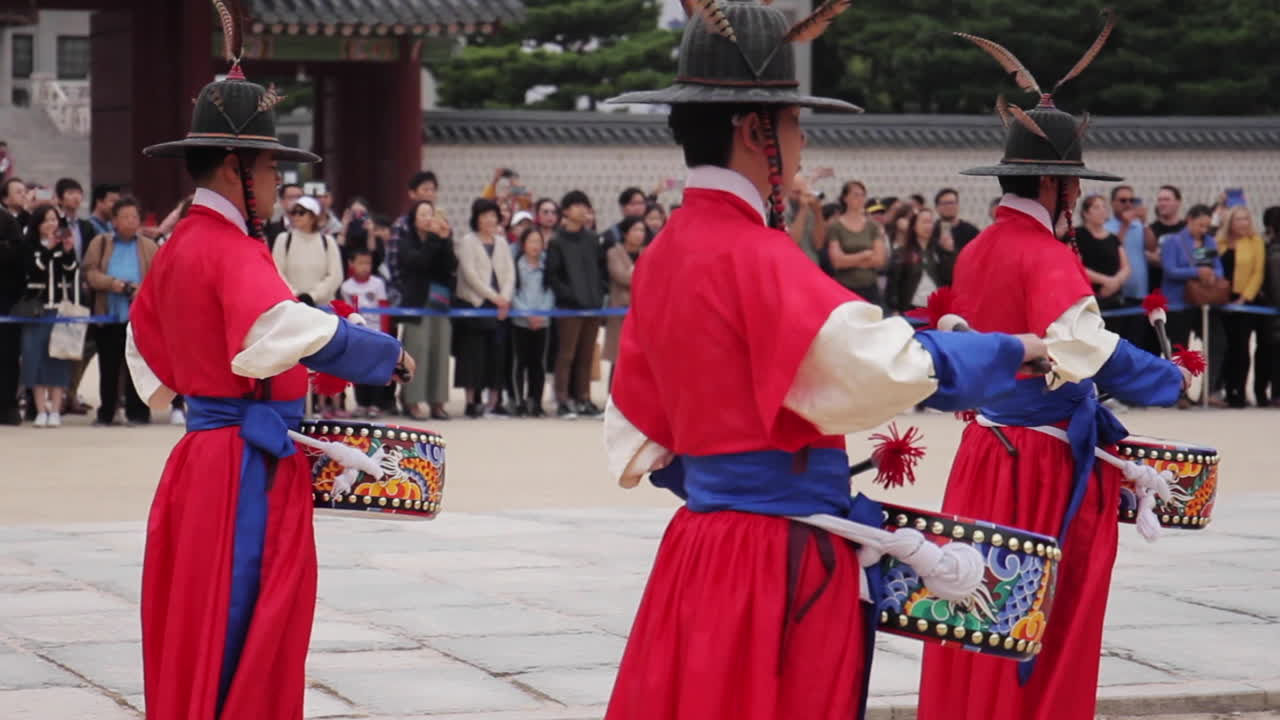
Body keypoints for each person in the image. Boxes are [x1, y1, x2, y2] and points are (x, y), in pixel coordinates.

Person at [600, 4, 1051, 719]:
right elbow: (885, 366)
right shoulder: (756, 256)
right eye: (795, 125)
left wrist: (731, 479)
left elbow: (638, 434)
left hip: (699, 547)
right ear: (756, 132)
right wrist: (1013, 347)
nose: (803, 145)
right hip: (774, 562)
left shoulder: (663, 255)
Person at [128, 32, 412, 720]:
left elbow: (147, 354)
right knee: (245, 618)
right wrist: (379, 353)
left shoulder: (177, 249)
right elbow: (283, 331)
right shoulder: (229, 249)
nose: (275, 183)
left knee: (200, 619)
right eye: (268, 169)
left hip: (200, 460)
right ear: (234, 169)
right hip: (243, 470)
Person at [917, 18, 1187, 720]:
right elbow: (1089, 350)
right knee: (1048, 625)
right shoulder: (1046, 256)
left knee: (975, 616)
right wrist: (1173, 377)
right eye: (1071, 184)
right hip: (1040, 468)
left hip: (982, 455)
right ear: (1054, 183)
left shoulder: (975, 251)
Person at [84, 196, 158, 426]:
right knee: (109, 365)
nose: (131, 221)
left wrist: (141, 290)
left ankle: (138, 412)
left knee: (138, 365)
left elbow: (158, 279)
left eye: (135, 217)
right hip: (109, 314)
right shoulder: (101, 242)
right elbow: (89, 273)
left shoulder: (148, 246)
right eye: (125, 217)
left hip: (138, 317)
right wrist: (112, 283)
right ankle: (107, 412)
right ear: (114, 220)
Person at [546, 190, 606, 419]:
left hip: (592, 306)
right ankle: (562, 400)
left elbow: (601, 270)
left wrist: (599, 295)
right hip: (568, 307)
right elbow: (553, 276)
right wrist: (569, 296)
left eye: (585, 205)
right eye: (577, 205)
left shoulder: (592, 239)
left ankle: (584, 398)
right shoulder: (557, 241)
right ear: (567, 211)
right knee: (566, 355)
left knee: (586, 355)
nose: (582, 210)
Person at [453, 198, 515, 418]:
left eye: (492, 215)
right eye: (484, 215)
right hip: (475, 305)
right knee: (473, 355)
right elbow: (470, 275)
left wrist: (504, 298)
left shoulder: (502, 243)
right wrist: (494, 297)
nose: (489, 220)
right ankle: (471, 402)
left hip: (500, 308)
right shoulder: (468, 241)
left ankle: (494, 402)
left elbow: (509, 273)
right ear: (476, 219)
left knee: (497, 354)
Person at [1162, 205, 1228, 407]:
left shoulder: (1208, 241)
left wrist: (1211, 275)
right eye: (1200, 225)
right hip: (1178, 302)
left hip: (1203, 302)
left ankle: (1209, 389)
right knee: (1180, 347)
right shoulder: (1173, 241)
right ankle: (1178, 393)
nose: (1203, 229)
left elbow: (1217, 268)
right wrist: (1195, 272)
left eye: (1207, 226)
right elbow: (1170, 269)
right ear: (1189, 220)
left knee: (1217, 340)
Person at [396, 200, 456, 421]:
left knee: (439, 352)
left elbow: (450, 266)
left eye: (430, 214)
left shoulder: (439, 240)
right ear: (414, 220)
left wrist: (445, 240)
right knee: (416, 351)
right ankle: (411, 401)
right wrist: (433, 240)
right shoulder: (405, 242)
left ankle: (437, 401)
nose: (427, 218)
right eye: (422, 214)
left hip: (440, 303)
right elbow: (418, 263)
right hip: (417, 304)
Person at [20, 204, 79, 428]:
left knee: (58, 358)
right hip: (36, 309)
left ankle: (55, 409)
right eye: (46, 221)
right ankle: (39, 408)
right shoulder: (30, 246)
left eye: (54, 220)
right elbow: (35, 270)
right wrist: (49, 249)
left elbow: (72, 270)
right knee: (34, 357)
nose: (52, 224)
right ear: (37, 225)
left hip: (60, 309)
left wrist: (67, 250)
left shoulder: (62, 244)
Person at [1216, 206, 1268, 407]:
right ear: (1230, 221)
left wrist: (1244, 297)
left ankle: (1238, 390)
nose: (1243, 223)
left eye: (1246, 219)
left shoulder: (1255, 242)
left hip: (1244, 302)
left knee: (1241, 347)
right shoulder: (1218, 242)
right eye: (1239, 219)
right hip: (1220, 300)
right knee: (1224, 347)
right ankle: (1224, 390)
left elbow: (1258, 273)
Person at [340, 247, 391, 418]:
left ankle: (376, 403)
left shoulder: (378, 284)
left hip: (376, 332)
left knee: (376, 369)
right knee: (358, 369)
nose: (365, 267)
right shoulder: (347, 287)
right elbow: (346, 312)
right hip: (357, 334)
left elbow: (384, 308)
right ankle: (361, 403)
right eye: (361, 263)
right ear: (351, 264)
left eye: (368, 263)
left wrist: (385, 334)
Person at [511, 227, 555, 416]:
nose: (535, 246)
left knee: (538, 364)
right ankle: (519, 402)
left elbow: (551, 293)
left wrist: (541, 315)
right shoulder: (516, 265)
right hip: (521, 322)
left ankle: (536, 401)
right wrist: (527, 314)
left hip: (542, 322)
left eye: (538, 242)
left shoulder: (548, 265)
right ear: (523, 244)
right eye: (531, 241)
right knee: (520, 362)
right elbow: (513, 293)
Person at [271, 195, 343, 307]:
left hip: (322, 308)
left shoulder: (328, 242)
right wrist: (296, 295)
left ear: (313, 216)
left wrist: (312, 296)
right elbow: (277, 272)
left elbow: (335, 276)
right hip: (291, 306)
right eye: (293, 212)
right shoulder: (284, 239)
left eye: (301, 212)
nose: (296, 216)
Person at [1075, 194, 1131, 335]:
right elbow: (1076, 266)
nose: (1102, 211)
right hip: (1089, 299)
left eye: (1104, 207)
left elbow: (1126, 268)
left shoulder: (1113, 238)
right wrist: (1105, 281)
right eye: (1096, 207)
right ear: (1086, 213)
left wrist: (1115, 282)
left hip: (1114, 299)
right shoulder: (1077, 235)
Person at [826, 180, 887, 304]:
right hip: (845, 287)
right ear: (845, 198)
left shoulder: (873, 226)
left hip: (870, 287)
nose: (860, 199)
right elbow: (837, 261)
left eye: (862, 195)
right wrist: (863, 256)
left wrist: (849, 260)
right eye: (855, 195)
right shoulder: (835, 226)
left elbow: (879, 260)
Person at [604, 217, 644, 389]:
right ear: (626, 233)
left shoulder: (648, 251)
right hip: (619, 310)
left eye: (642, 230)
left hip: (642, 313)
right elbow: (621, 276)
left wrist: (636, 274)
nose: (639, 234)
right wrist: (640, 275)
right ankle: (612, 395)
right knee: (617, 356)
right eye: (635, 229)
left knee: (638, 358)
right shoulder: (614, 252)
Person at [885, 207, 945, 314]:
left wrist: (949, 252)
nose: (928, 226)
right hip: (911, 309)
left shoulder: (939, 251)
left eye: (930, 222)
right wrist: (895, 308)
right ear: (914, 226)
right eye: (924, 222)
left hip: (936, 309)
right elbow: (893, 284)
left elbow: (949, 278)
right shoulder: (902, 253)